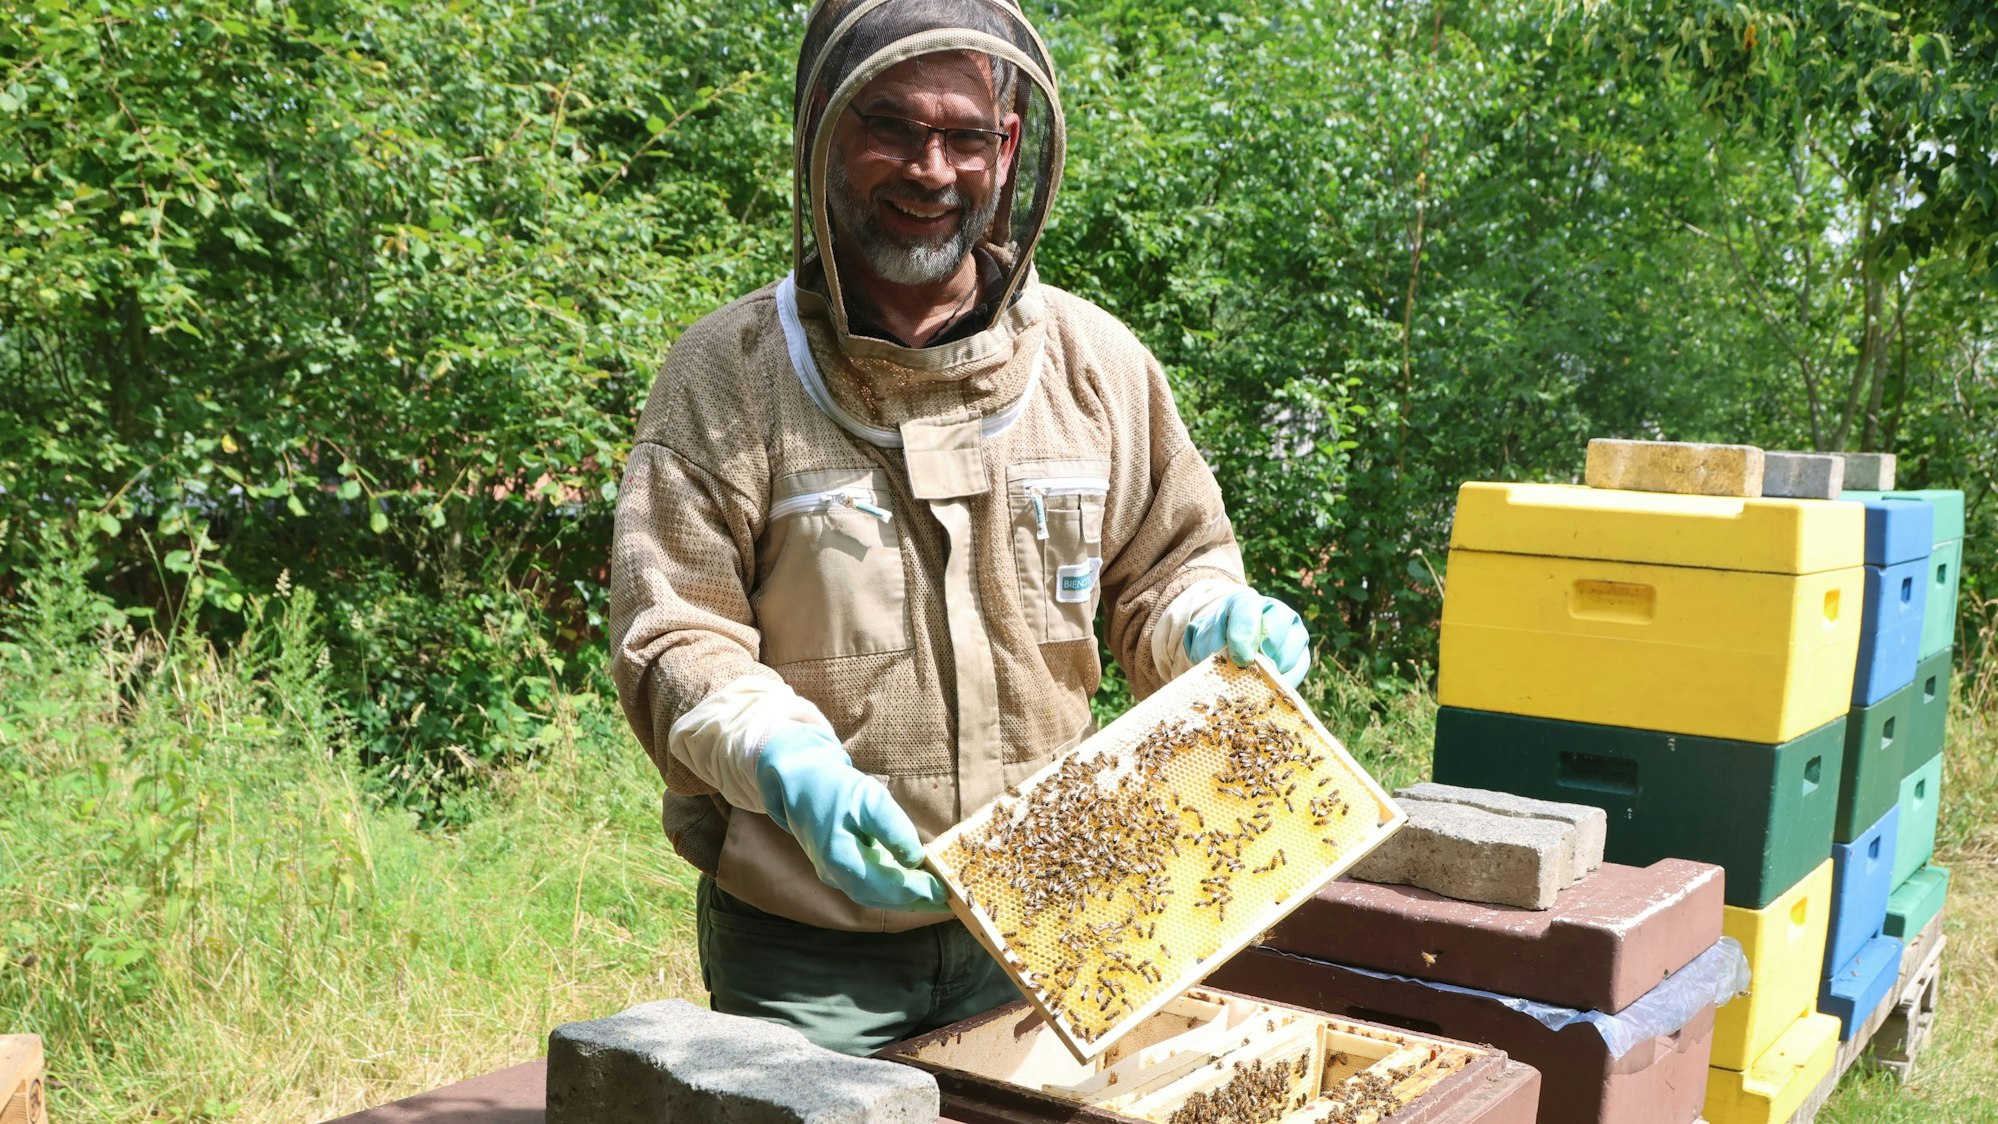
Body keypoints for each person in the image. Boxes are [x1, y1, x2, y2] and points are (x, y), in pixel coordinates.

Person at [608, 0, 1309, 1056]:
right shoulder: (727, 378)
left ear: (1010, 145)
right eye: (889, 125)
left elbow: (1166, 568)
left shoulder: (1096, 364)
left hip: (1059, 914)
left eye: (965, 135)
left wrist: (1210, 619)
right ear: (820, 132)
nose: (930, 170)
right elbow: (675, 634)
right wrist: (784, 756)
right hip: (813, 954)